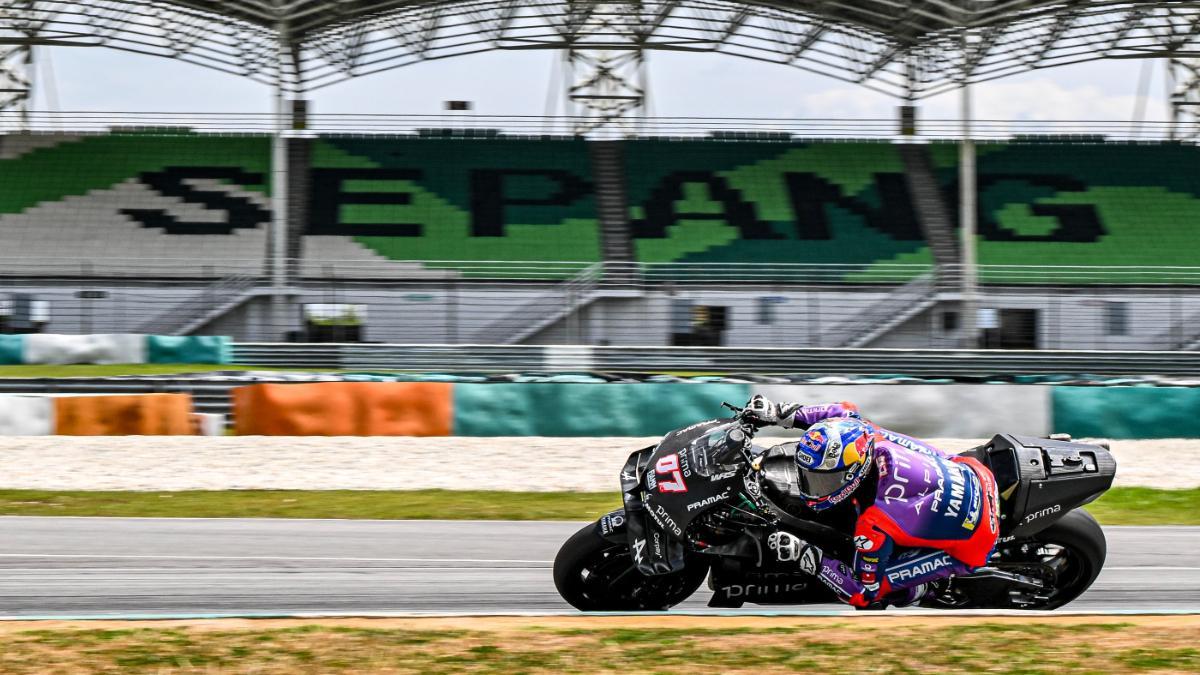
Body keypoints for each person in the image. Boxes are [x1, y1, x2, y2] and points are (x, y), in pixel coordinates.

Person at [743, 395, 1000, 609]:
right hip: (974, 472)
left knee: (879, 591)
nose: (812, 488)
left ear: (853, 473)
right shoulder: (865, 434)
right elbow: (839, 412)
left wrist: (806, 555)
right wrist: (777, 413)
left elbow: (862, 592)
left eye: (822, 480)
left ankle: (927, 590)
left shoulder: (873, 522)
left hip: (977, 540)